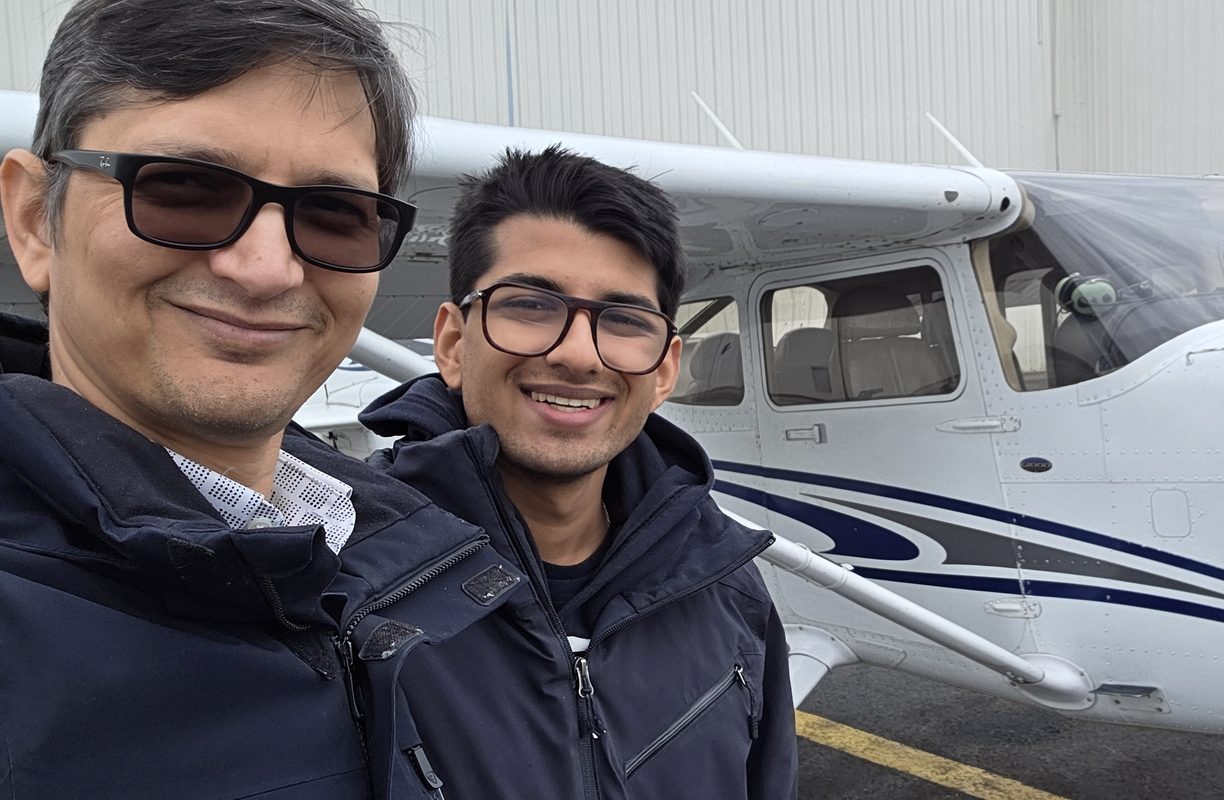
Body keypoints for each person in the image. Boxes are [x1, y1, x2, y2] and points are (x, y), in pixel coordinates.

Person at [0, 1, 523, 797]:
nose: (267, 268)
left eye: (335, 214)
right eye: (183, 188)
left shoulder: (432, 560)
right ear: (38, 219)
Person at [359, 145, 797, 799]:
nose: (575, 354)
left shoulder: (730, 590)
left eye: (623, 320)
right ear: (452, 343)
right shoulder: (341, 587)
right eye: (531, 305)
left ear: (665, 369)